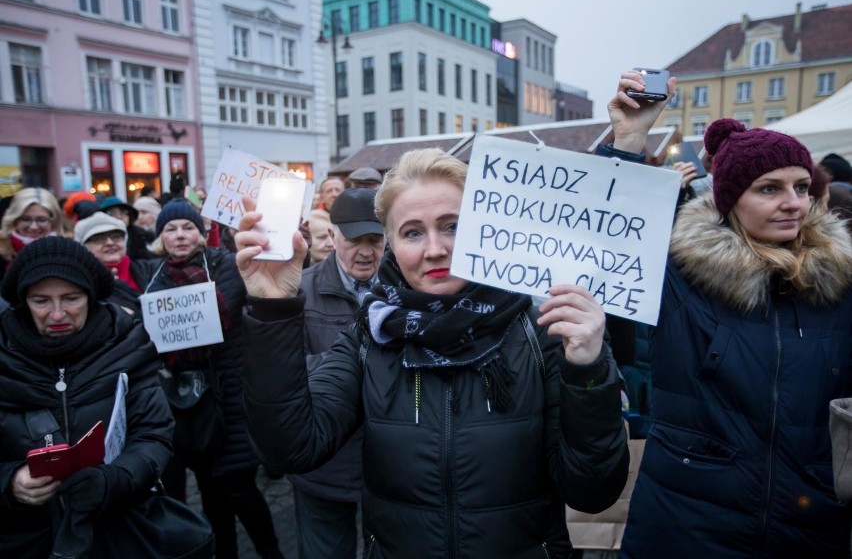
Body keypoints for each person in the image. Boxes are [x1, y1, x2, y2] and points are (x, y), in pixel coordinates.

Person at [236, 148, 629, 558]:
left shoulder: (541, 330)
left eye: (452, 226)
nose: (435, 248)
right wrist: (274, 308)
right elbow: (290, 447)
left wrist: (588, 370)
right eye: (412, 232)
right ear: (391, 243)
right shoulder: (372, 335)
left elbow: (592, 491)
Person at [600, 70, 852, 558]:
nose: (793, 204)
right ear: (730, 198)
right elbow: (609, 239)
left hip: (810, 523)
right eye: (770, 189)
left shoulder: (840, 283)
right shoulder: (679, 273)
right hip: (686, 525)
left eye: (801, 187)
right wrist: (629, 140)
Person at [0, 236, 174, 558]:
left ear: (91, 296)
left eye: (71, 298)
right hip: (26, 539)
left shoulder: (127, 345)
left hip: (118, 532)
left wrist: (112, 481)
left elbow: (154, 434)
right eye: (41, 301)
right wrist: (9, 481)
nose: (56, 314)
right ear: (23, 301)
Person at [139, 200, 282, 559]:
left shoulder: (223, 265)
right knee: (209, 492)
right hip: (191, 404)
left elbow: (227, 309)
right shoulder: (153, 278)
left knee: (240, 487)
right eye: (170, 229)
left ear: (201, 234)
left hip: (231, 396)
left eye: (187, 227)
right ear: (161, 238)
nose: (180, 235)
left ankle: (271, 552)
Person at [287, 188, 384, 559]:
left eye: (374, 241)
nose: (364, 252)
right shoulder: (299, 288)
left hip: (390, 464)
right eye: (354, 240)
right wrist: (357, 365)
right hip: (324, 464)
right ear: (333, 237)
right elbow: (287, 369)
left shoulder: (403, 289)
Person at [74, 212, 146, 316]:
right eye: (98, 238)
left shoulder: (148, 270)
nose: (110, 243)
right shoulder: (82, 283)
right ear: (84, 247)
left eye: (116, 236)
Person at [0, 188, 64, 272]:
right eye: (26, 219)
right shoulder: (2, 253)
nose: (33, 227)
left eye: (41, 220)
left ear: (54, 222)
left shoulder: (67, 252)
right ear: (15, 220)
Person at [99, 196, 154, 261]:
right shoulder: (96, 239)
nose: (119, 217)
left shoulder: (142, 236)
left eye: (123, 212)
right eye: (112, 213)